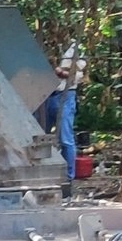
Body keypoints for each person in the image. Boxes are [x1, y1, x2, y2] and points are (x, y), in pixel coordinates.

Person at [38, 42, 88, 184]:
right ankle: (43, 171)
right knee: (41, 134)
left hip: (66, 95)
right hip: (48, 95)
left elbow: (76, 76)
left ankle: (68, 175)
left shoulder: (76, 50)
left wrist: (57, 70)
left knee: (66, 138)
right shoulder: (52, 45)